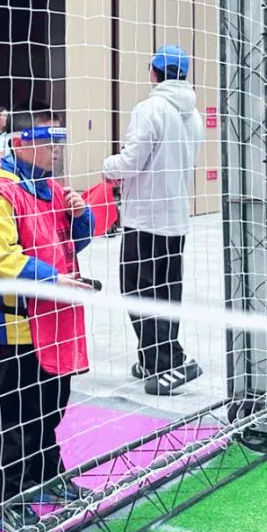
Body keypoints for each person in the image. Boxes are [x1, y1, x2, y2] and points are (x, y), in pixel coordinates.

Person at [0, 104, 94, 532]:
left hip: (57, 322)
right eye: (48, 140)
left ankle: (45, 472)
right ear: (20, 143)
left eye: (60, 140)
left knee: (51, 406)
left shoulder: (51, 189)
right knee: (16, 412)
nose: (57, 150)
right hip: (20, 324)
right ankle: (10, 494)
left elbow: (72, 243)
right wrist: (52, 278)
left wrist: (81, 217)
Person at [102, 45, 204, 396]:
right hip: (176, 220)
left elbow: (133, 161)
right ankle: (153, 359)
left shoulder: (150, 108)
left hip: (144, 219)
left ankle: (165, 363)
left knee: (138, 292)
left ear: (154, 72)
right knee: (167, 291)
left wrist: (107, 166)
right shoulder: (193, 114)